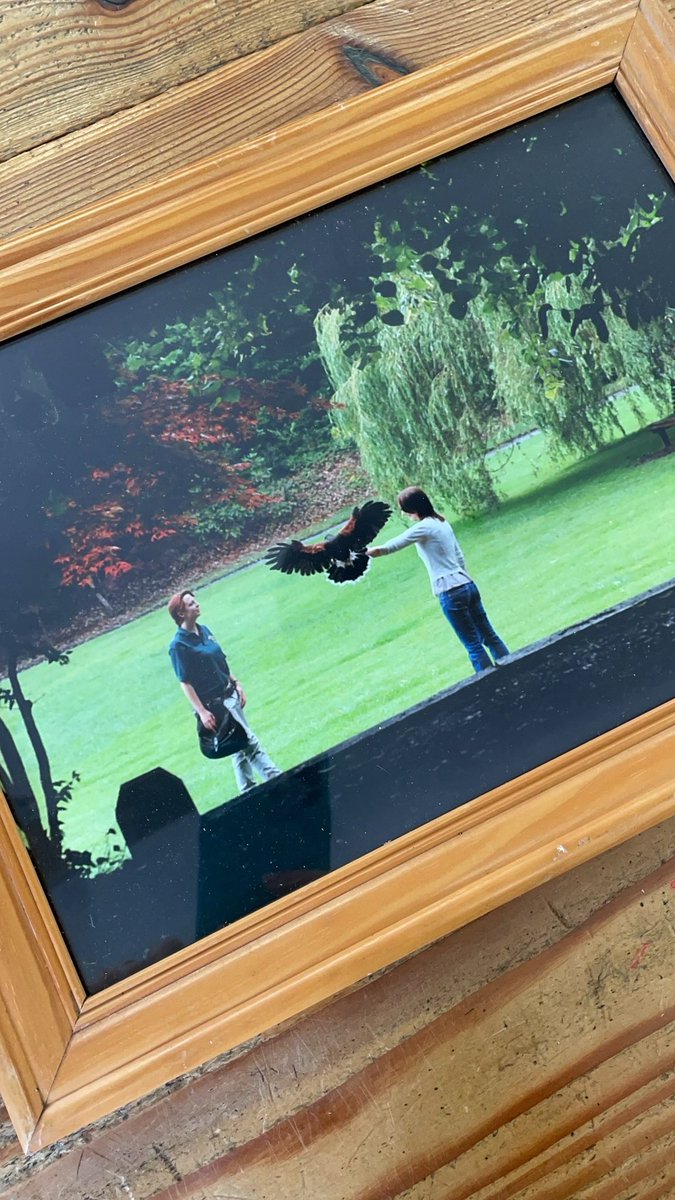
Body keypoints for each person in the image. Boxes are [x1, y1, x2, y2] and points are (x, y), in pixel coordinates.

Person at [367, 486, 509, 673]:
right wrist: (463, 578)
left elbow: (387, 547)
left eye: (404, 508)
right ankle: (515, 667)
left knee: (473, 644)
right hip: (467, 584)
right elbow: (459, 556)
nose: (403, 512)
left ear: (413, 509)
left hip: (450, 590)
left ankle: (491, 684)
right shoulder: (441, 522)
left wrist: (356, 555)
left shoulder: (423, 528)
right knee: (489, 636)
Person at [167, 589, 281, 792]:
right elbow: (185, 682)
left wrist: (237, 684)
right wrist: (202, 712)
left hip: (231, 695)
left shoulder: (205, 631)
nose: (197, 605)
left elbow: (221, 661)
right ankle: (280, 780)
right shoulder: (178, 645)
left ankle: (247, 792)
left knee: (238, 747)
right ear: (181, 613)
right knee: (249, 743)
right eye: (191, 604)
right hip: (216, 705)